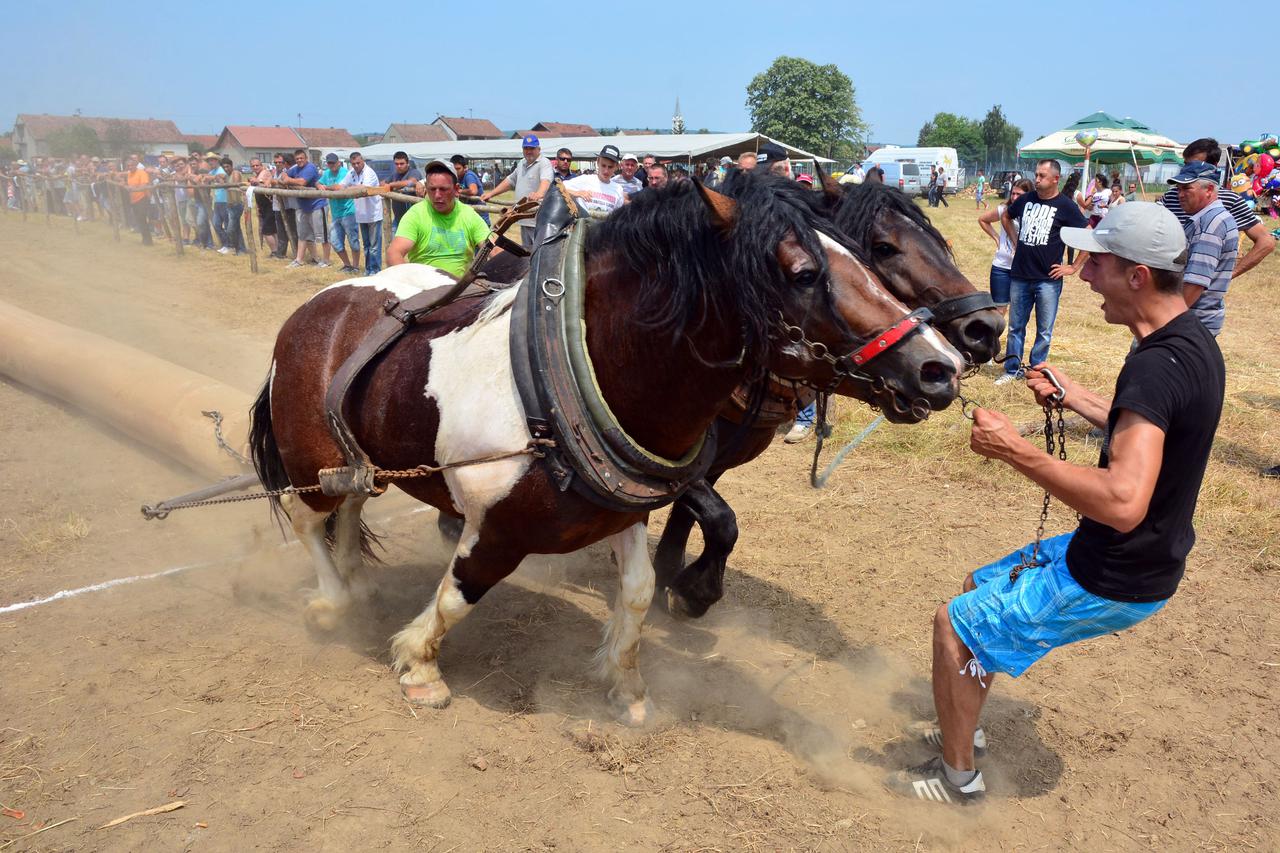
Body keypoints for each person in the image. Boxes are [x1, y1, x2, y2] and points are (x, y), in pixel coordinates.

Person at [887, 202, 1225, 806]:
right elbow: (1150, 426)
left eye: (1095, 262)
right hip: (1136, 555)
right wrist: (1076, 397)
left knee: (954, 626)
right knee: (976, 589)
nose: (1082, 273)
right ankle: (965, 725)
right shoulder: (1188, 342)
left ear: (1137, 275)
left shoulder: (1156, 367)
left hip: (1116, 574)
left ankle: (958, 781)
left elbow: (1122, 501)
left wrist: (1014, 450)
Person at [996, 159, 1089, 385]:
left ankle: (1037, 371)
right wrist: (1015, 240)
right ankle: (1012, 370)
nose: (1036, 179)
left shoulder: (1066, 206)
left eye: (1042, 176)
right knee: (1016, 327)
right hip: (1020, 275)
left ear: (1055, 179)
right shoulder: (1026, 199)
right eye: (1036, 175)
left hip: (1048, 280)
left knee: (1044, 331)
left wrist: (1073, 267)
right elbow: (1006, 216)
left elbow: (1088, 233)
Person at [1158, 137, 1275, 279]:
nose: (1187, 169)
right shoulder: (1172, 196)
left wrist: (1229, 275)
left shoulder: (1230, 200)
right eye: (1186, 164)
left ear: (1213, 165)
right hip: (1169, 282)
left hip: (1204, 287)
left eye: (1195, 164)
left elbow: (1266, 242)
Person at [1169, 161, 1238, 337]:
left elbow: (1195, 283)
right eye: (1178, 189)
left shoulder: (1211, 224)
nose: (1180, 195)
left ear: (1209, 189)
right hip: (1193, 319)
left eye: (1186, 188)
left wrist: (1163, 322)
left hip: (1190, 321)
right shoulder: (1209, 218)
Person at [388, 159, 490, 275]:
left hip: (462, 286)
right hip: (424, 285)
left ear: (457, 190)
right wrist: (410, 279)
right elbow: (394, 253)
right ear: (426, 188)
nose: (437, 195)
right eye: (432, 189)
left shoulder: (468, 215)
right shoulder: (416, 214)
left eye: (443, 189)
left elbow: (494, 249)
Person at [481, 134, 552, 250]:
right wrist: (491, 193)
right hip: (524, 218)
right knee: (527, 251)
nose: (528, 151)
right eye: (526, 148)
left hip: (538, 220)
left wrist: (539, 194)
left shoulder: (544, 163)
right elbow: (510, 181)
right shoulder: (521, 163)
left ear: (538, 149)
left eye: (532, 148)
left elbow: (546, 181)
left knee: (539, 252)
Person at [978, 177, 1031, 313]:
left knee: (1018, 310)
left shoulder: (1033, 214)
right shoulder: (1003, 209)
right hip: (1001, 267)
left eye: (1019, 194)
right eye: (1013, 193)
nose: (1014, 197)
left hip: (1023, 269)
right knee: (999, 310)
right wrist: (996, 237)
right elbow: (983, 220)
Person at [281, 148, 328, 268]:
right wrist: (286, 176)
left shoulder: (310, 168)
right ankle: (299, 260)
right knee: (303, 235)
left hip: (317, 205)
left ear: (306, 158)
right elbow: (284, 174)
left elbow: (302, 182)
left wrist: (288, 180)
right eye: (297, 159)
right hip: (302, 206)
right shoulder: (295, 168)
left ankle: (326, 261)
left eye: (301, 158)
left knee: (322, 235)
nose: (299, 160)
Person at [341, 151, 383, 275]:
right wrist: (324, 186)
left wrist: (349, 188)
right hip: (361, 214)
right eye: (353, 163)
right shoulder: (351, 173)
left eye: (358, 162)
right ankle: (368, 269)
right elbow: (342, 185)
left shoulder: (369, 172)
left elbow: (364, 188)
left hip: (373, 214)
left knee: (374, 246)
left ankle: (376, 270)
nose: (356, 165)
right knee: (366, 245)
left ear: (362, 160)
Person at [317, 153, 359, 272]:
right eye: (329, 163)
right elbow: (318, 182)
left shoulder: (345, 172)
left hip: (348, 211)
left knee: (353, 241)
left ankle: (355, 267)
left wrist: (326, 187)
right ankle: (347, 265)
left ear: (338, 163)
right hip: (336, 214)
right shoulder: (327, 173)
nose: (331, 165)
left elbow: (338, 187)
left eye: (333, 163)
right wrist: (319, 185)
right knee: (335, 242)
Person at [563, 144, 628, 215]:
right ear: (598, 162)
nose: (606, 171)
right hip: (584, 221)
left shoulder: (618, 189)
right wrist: (577, 193)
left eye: (610, 167)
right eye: (603, 165)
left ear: (616, 167)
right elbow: (558, 187)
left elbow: (617, 215)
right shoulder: (585, 179)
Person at [384, 151, 422, 230]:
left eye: (402, 164)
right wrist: (392, 185)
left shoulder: (414, 172)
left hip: (412, 219)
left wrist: (392, 185)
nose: (399, 166)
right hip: (398, 219)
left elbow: (411, 182)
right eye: (396, 164)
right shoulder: (395, 175)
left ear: (408, 163)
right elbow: (383, 183)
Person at [249, 157, 278, 257]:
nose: (255, 167)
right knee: (272, 230)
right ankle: (277, 251)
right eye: (253, 166)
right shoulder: (257, 175)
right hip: (263, 206)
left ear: (261, 165)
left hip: (269, 205)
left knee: (266, 231)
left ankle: (274, 251)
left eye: (257, 165)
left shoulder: (264, 172)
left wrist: (255, 181)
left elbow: (263, 184)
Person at [220, 156, 248, 254]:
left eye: (227, 166)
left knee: (230, 229)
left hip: (237, 204)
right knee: (236, 228)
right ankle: (240, 249)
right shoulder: (226, 176)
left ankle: (237, 247)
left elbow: (235, 183)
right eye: (224, 167)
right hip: (230, 205)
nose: (226, 169)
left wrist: (224, 183)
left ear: (231, 166)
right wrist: (221, 179)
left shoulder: (235, 173)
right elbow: (220, 181)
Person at [451, 154, 488, 225]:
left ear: (465, 168)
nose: (456, 171)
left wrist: (459, 191)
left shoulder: (469, 175)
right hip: (469, 214)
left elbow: (473, 191)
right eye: (454, 169)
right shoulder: (456, 177)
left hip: (479, 215)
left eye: (458, 169)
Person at [206, 152, 231, 251]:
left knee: (227, 224)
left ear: (216, 160)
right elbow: (206, 178)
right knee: (216, 224)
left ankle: (229, 245)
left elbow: (222, 177)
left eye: (212, 160)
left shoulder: (221, 169)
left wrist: (212, 178)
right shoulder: (212, 171)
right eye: (208, 161)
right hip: (217, 201)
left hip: (225, 200)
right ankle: (225, 244)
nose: (210, 162)